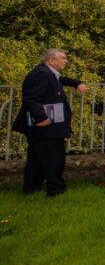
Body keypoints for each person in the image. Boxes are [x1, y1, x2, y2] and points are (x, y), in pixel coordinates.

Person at [13, 48, 89, 197]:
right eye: (63, 58)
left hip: (45, 126)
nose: (66, 61)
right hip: (45, 126)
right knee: (54, 158)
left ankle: (31, 190)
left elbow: (62, 79)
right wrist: (41, 118)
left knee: (36, 160)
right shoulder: (41, 74)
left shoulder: (48, 73)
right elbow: (31, 98)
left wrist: (77, 83)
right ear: (51, 60)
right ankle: (56, 190)